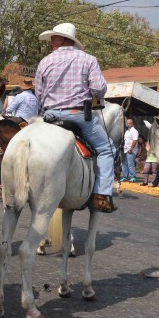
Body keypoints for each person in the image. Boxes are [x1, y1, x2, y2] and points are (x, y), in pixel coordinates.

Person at [34, 23, 116, 213]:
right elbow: (99, 88)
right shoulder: (88, 60)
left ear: (62, 39)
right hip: (77, 115)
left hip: (50, 116)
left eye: (53, 38)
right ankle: (102, 195)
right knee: (107, 149)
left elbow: (39, 93)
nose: (50, 43)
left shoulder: (45, 62)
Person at [122, 119, 139, 183]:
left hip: (131, 150)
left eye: (130, 123)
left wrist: (131, 148)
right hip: (125, 149)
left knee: (131, 164)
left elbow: (135, 140)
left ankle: (132, 177)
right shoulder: (127, 131)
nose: (128, 124)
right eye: (127, 123)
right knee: (124, 164)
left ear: (132, 123)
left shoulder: (134, 131)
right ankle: (125, 177)